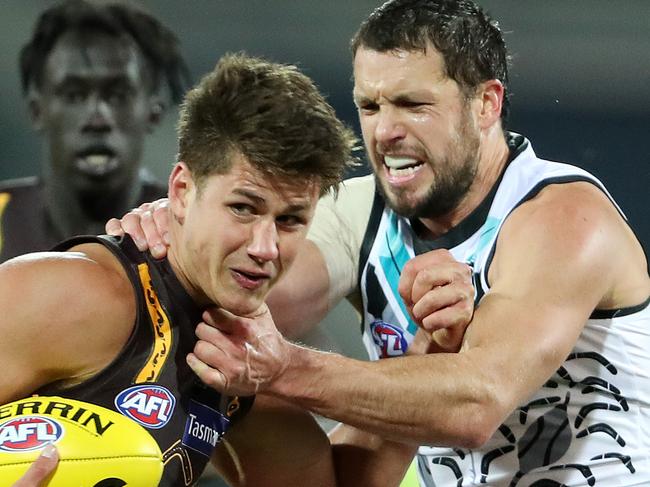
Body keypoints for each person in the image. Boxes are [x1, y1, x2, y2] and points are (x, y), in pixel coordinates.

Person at [111, 0, 650, 485]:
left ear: (486, 105)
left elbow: (477, 403)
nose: (384, 131)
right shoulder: (359, 211)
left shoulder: (564, 216)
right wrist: (181, 234)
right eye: (370, 106)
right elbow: (214, 304)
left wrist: (285, 368)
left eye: (413, 104)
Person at [2, 53, 429, 487]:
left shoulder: (243, 370)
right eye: (242, 208)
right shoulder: (64, 294)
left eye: (290, 220)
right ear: (183, 191)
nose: (265, 248)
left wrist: (427, 348)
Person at [0, 0, 190, 263]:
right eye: (74, 95)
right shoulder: (3, 215)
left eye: (117, 95)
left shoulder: (188, 227)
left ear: (154, 111)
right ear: (36, 110)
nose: (97, 119)